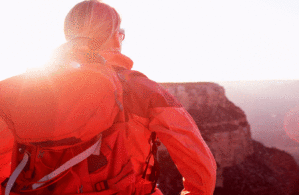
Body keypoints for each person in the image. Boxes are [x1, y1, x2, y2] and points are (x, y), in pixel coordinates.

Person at [0, 0, 216, 195]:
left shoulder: (34, 88)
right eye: (120, 33)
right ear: (113, 35)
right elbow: (198, 160)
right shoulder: (141, 89)